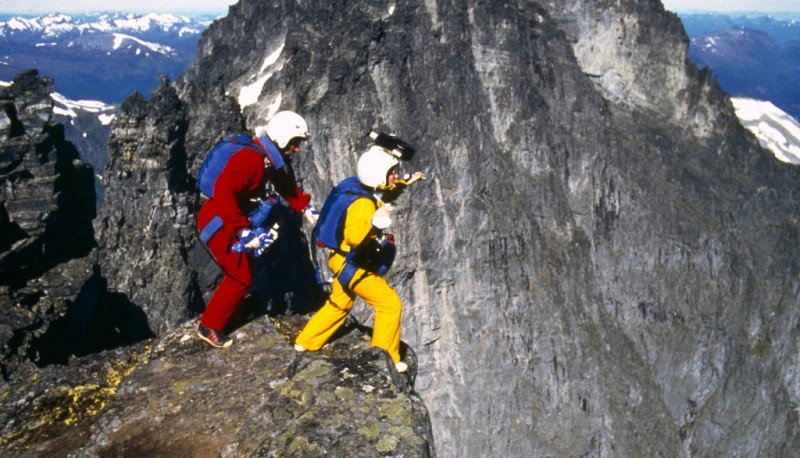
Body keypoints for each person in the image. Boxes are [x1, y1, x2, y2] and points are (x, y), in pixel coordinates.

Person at [294, 144, 424, 373]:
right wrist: (375, 223)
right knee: (389, 304)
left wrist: (407, 182)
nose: (396, 175)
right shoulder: (363, 204)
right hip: (352, 264)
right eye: (392, 172)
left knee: (340, 303)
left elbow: (385, 190)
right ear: (379, 176)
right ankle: (384, 359)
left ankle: (306, 341)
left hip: (339, 259)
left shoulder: (356, 187)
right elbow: (355, 237)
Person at [196, 110, 314, 348]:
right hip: (219, 222)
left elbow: (282, 183)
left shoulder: (264, 157)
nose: (297, 149)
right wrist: (242, 231)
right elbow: (223, 190)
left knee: (243, 271)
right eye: (295, 144)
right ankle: (209, 326)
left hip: (223, 218)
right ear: (282, 139)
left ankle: (223, 314)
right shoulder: (252, 160)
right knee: (241, 276)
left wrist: (303, 206)